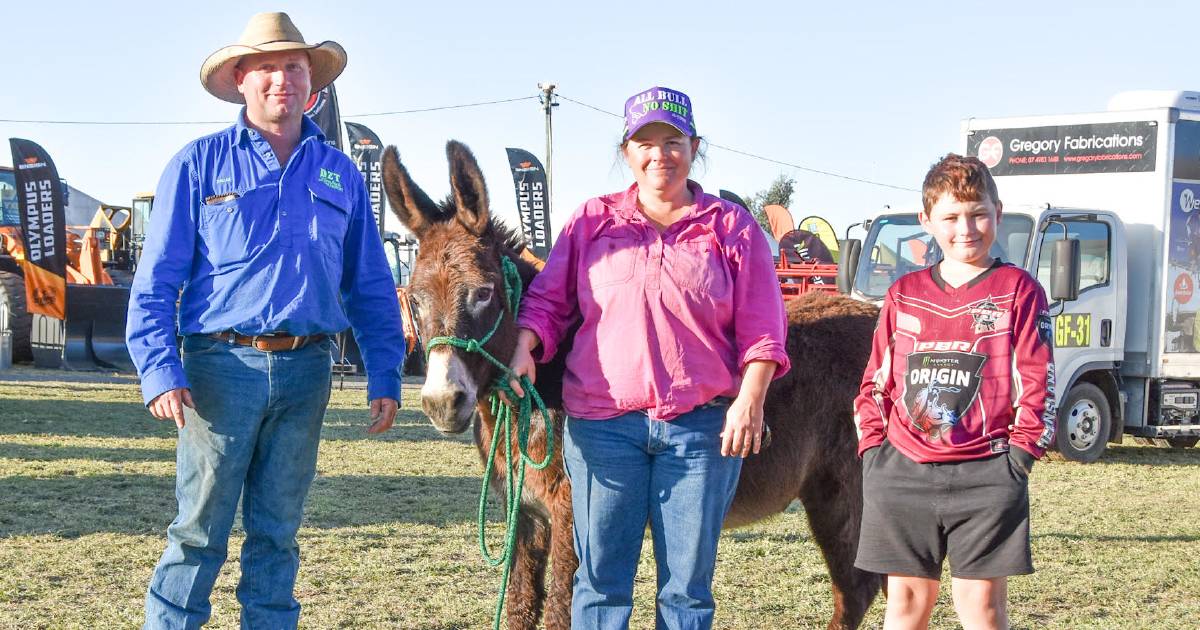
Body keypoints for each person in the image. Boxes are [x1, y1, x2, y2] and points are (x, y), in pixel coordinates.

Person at [126, 12, 405, 629]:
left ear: (314, 85)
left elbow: (370, 285)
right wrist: (158, 368)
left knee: (278, 532)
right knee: (199, 531)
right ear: (241, 78)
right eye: (269, 68)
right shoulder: (198, 164)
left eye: (296, 67)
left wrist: (386, 373)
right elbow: (156, 281)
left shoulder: (340, 174)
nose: (283, 79)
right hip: (218, 370)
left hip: (309, 370)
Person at [508, 86, 790, 630]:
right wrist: (525, 344)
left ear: (694, 146)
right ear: (626, 151)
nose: (660, 153)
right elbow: (548, 301)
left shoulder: (731, 227)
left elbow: (763, 325)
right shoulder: (590, 222)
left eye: (672, 141)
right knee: (600, 582)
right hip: (603, 428)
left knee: (686, 591)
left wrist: (750, 400)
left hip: (701, 429)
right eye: (645, 142)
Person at [853, 153, 1056, 630]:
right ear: (926, 221)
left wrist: (1018, 459)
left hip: (987, 476)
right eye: (950, 217)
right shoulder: (903, 292)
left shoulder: (1019, 290)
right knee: (904, 609)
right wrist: (873, 454)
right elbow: (875, 382)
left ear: (998, 213)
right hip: (901, 474)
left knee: (982, 611)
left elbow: (1038, 383)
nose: (966, 228)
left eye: (978, 213)